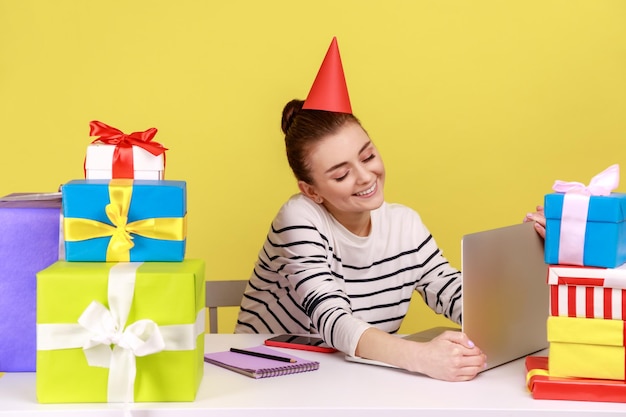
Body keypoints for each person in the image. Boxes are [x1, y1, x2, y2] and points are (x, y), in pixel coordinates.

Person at [235, 38, 546, 382]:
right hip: (267, 374)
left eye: (367, 155)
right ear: (312, 191)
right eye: (341, 174)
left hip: (352, 380)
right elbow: (332, 320)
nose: (366, 176)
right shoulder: (299, 218)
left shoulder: (404, 224)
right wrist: (421, 357)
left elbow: (457, 298)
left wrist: (535, 259)